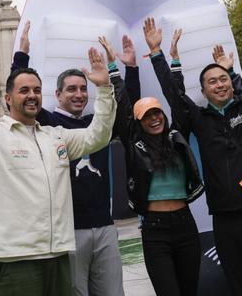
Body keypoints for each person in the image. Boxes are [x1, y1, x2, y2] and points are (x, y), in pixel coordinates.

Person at [0, 37, 113, 295]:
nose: (32, 96)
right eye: (24, 91)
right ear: (8, 98)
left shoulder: (55, 136)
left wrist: (104, 88)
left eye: (37, 90)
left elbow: (98, 136)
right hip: (16, 259)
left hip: (58, 253)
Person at [155, 0, 242, 296]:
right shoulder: (200, 119)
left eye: (224, 78)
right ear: (203, 91)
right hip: (224, 223)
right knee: (241, 288)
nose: (220, 84)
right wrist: (156, 55)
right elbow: (174, 95)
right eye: (212, 82)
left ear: (231, 81)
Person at [13, 25, 124, 296]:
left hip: (105, 226)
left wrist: (112, 72)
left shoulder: (97, 124)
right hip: (70, 231)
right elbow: (19, 94)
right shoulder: (49, 123)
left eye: (84, 89)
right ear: (58, 95)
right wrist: (21, 56)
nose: (79, 94)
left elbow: (120, 109)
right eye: (71, 89)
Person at [103, 31, 203, 296]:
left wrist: (162, 55)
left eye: (157, 113)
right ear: (139, 123)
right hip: (154, 229)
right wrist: (115, 67)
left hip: (185, 224)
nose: (154, 118)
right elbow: (124, 103)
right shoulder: (134, 144)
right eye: (147, 116)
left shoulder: (176, 136)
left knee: (189, 291)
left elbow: (177, 97)